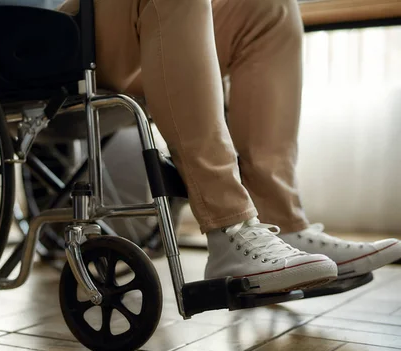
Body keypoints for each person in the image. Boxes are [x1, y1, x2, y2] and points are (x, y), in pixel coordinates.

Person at [57, 0, 401, 293]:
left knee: (267, 8)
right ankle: (228, 227)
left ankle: (283, 223)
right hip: (46, 35)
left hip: (120, 33)